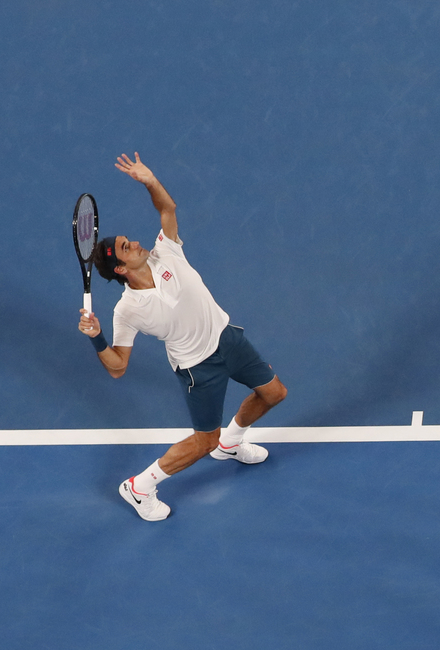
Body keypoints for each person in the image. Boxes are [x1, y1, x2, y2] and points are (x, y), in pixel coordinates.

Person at [78, 153, 287, 521]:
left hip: (227, 339)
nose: (136, 242)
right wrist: (97, 338)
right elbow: (117, 367)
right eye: (127, 247)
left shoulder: (167, 251)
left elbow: (168, 208)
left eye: (129, 240)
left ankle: (232, 443)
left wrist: (150, 181)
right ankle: (139, 487)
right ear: (121, 269)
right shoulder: (127, 310)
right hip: (197, 368)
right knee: (204, 441)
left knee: (274, 393)